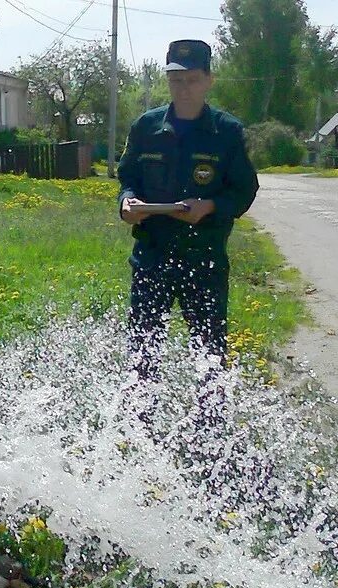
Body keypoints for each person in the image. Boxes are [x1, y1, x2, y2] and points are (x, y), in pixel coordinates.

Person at [117, 39, 259, 380]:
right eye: (176, 80)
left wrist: (209, 205)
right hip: (152, 256)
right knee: (142, 351)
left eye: (192, 79)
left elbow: (244, 190)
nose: (184, 88)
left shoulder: (226, 132)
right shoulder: (146, 128)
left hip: (204, 257)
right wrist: (126, 203)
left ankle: (209, 429)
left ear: (209, 80)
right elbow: (128, 179)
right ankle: (138, 426)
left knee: (210, 353)